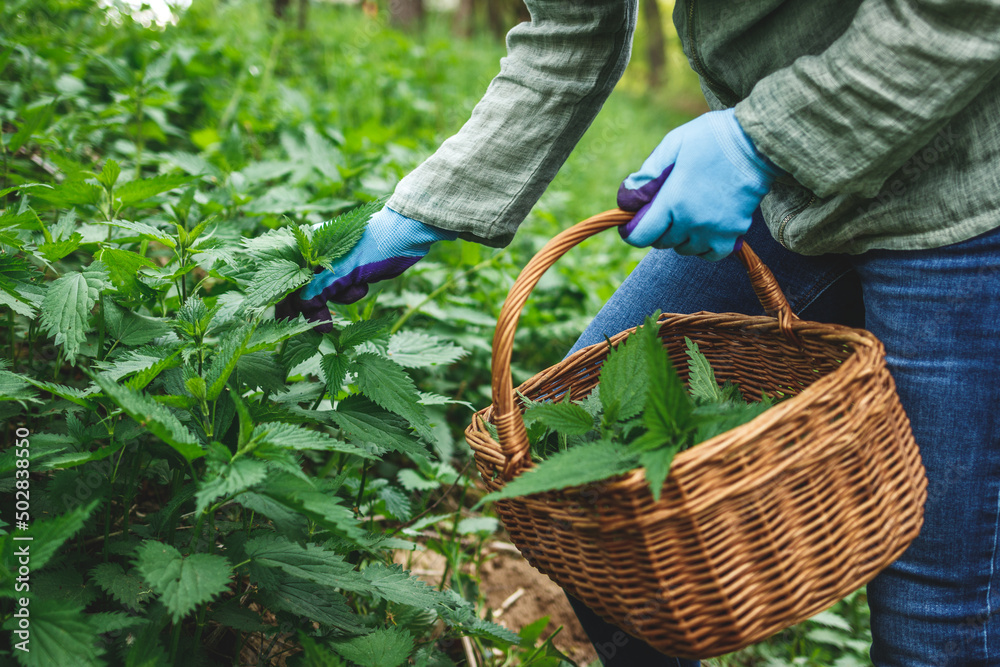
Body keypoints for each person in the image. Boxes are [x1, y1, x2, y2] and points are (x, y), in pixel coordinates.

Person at [282, 1, 1000, 664]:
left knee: (937, 604)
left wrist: (764, 139)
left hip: (963, 180)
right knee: (593, 479)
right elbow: (572, 33)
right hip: (789, 187)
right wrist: (422, 211)